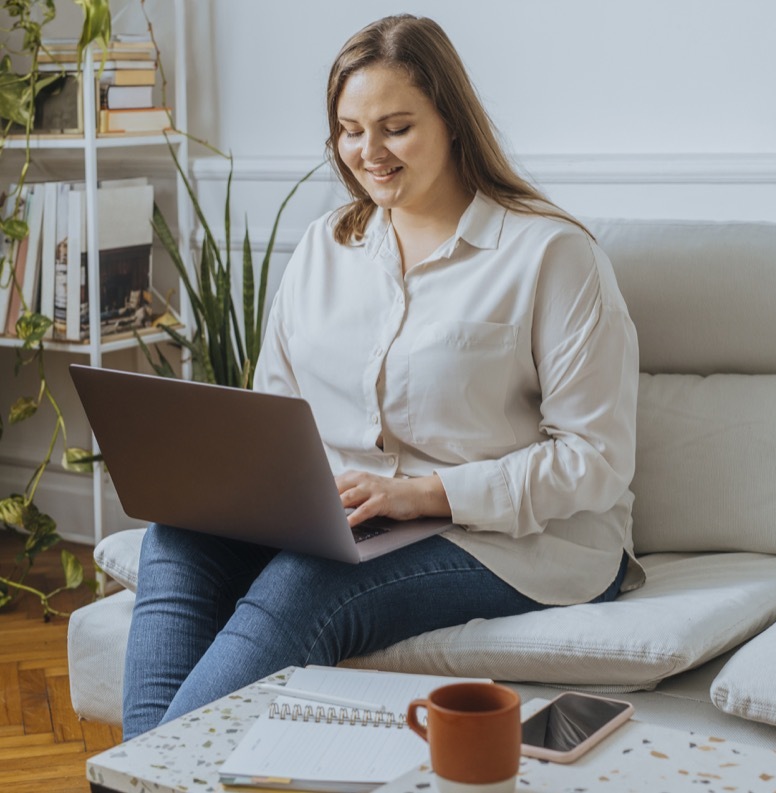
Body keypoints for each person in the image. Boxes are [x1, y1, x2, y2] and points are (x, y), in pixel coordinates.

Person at [121, 14, 641, 739]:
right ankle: (141, 777)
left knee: (306, 586)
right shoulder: (324, 246)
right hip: (350, 519)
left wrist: (424, 492)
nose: (369, 153)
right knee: (176, 537)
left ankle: (144, 780)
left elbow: (597, 461)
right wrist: (253, 492)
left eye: (396, 127)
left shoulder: (551, 254)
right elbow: (277, 407)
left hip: (515, 541)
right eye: (349, 129)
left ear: (453, 122)